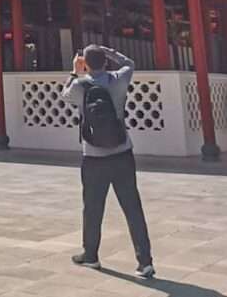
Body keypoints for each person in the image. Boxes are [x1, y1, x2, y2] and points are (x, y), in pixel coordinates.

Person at [61, 45, 154, 279]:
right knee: (132, 207)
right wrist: (108, 50)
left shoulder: (80, 85)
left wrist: (75, 71)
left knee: (92, 207)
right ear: (106, 62)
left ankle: (90, 255)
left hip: (93, 156)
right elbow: (130, 63)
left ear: (86, 63)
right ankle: (145, 262)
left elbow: (64, 94)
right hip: (122, 152)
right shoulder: (118, 79)